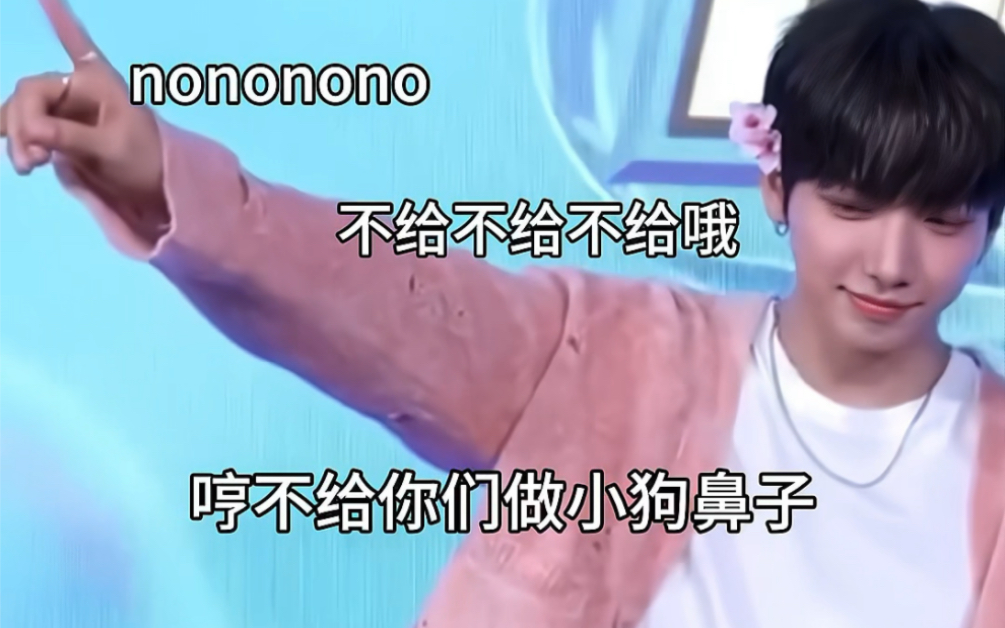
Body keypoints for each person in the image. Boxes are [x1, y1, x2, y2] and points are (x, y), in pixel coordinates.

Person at [3, 0, 1004, 626]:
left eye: (942, 219)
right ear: (778, 188)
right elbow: (373, 297)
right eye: (852, 207)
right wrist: (160, 172)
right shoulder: (618, 358)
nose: (891, 262)